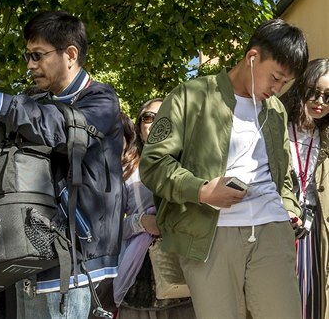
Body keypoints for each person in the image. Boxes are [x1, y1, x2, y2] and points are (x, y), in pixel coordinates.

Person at [0, 10, 124, 319]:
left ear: (70, 54)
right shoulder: (33, 101)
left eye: (37, 55)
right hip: (25, 254)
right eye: (27, 55)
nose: (30, 65)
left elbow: (61, 129)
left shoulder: (101, 100)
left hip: (76, 264)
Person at [139, 18, 308, 319]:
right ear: (253, 58)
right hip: (210, 236)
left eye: (286, 83)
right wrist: (202, 191)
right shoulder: (190, 96)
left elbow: (282, 176)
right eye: (276, 77)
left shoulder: (276, 111)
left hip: (272, 230)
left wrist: (288, 207)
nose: (278, 89)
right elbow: (153, 164)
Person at [109, 99, 195, 318]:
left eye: (164, 116)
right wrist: (142, 222)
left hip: (185, 271)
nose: (155, 122)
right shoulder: (126, 169)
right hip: (139, 278)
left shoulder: (191, 164)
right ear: (139, 126)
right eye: (148, 117)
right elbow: (111, 228)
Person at [280, 58, 329, 319]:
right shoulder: (278, 125)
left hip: (313, 225)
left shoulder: (326, 135)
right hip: (278, 221)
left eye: (328, 96)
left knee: (312, 298)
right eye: (314, 92)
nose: (320, 102)